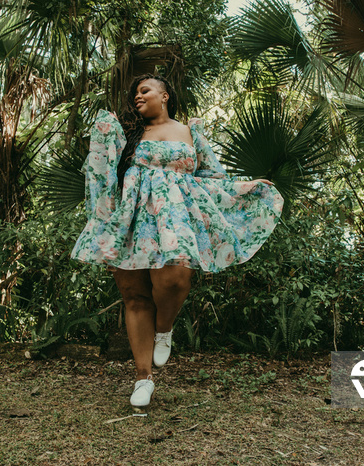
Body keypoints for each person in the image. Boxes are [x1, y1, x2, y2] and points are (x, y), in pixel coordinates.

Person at [71, 74, 284, 409]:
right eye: (134, 93)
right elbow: (102, 172)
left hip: (175, 220)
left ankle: (164, 329)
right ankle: (143, 378)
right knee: (135, 296)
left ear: (165, 95)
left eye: (145, 91)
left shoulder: (189, 131)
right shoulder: (126, 132)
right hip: (131, 219)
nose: (137, 97)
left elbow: (211, 178)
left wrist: (244, 187)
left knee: (176, 278)